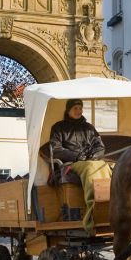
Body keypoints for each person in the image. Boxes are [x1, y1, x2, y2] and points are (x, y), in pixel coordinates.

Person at [49, 99, 112, 233]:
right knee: (90, 167)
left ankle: (111, 208)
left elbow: (99, 146)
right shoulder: (58, 127)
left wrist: (94, 156)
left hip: (90, 161)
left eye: (80, 108)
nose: (78, 111)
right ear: (68, 110)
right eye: (75, 108)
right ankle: (91, 214)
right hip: (70, 164)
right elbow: (55, 149)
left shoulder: (89, 128)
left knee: (105, 166)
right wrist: (75, 156)